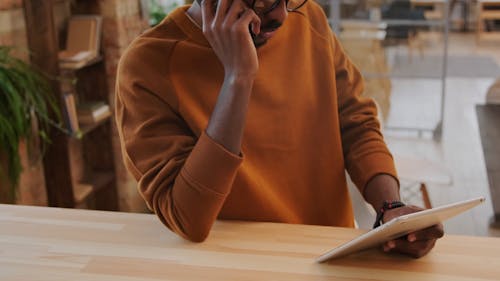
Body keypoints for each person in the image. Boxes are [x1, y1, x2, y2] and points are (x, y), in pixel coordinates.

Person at [115, 0, 443, 258]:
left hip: (329, 256)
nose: (283, 16)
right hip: (228, 265)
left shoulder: (309, 19)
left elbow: (356, 123)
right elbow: (188, 218)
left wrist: (392, 210)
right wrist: (238, 78)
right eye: (262, 1)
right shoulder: (147, 66)